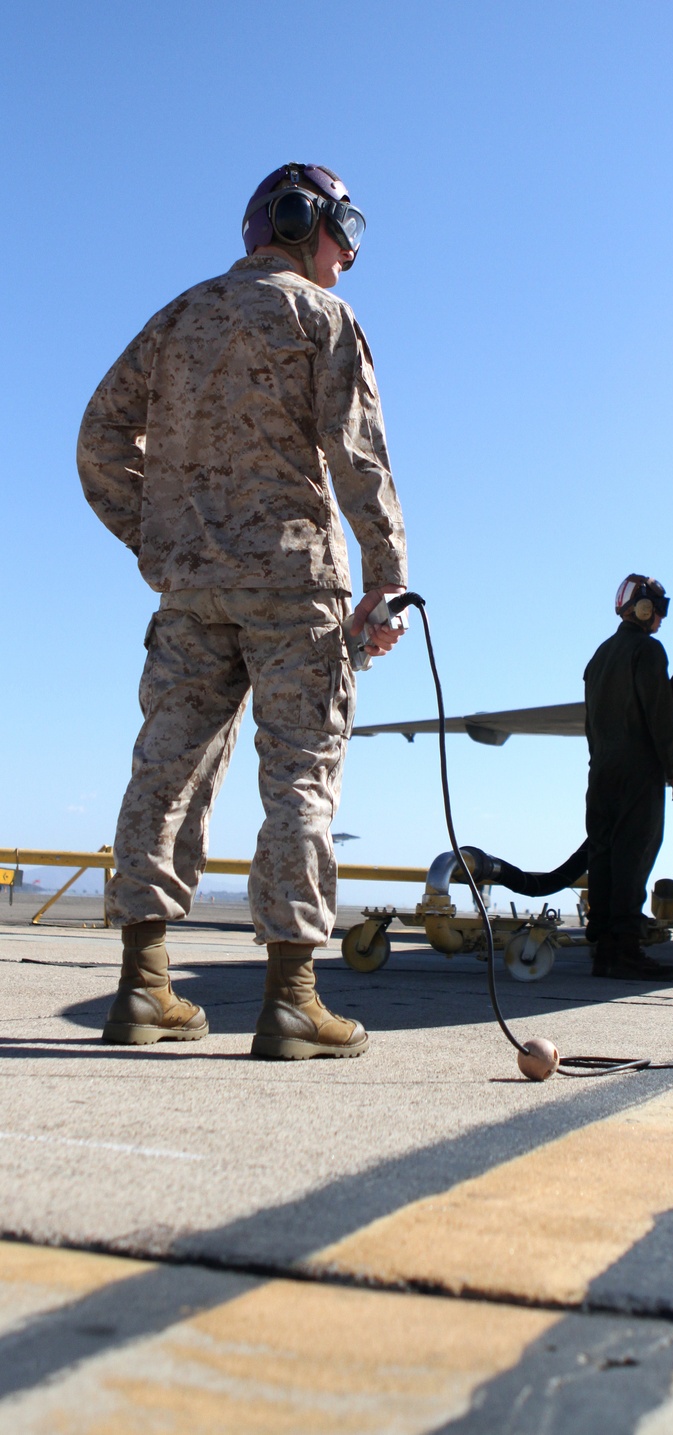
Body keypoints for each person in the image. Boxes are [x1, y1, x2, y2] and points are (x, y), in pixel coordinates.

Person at [77, 163, 407, 1060]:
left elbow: (98, 438)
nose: (348, 256)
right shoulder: (323, 318)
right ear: (306, 224)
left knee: (165, 767)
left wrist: (155, 538)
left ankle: (144, 989)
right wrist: (387, 581)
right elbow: (360, 464)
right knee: (300, 775)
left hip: (193, 591)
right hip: (295, 587)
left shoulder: (178, 317)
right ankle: (293, 1000)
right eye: (348, 233)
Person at [584, 574, 673, 979]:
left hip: (601, 772)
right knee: (634, 854)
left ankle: (605, 950)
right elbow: (660, 715)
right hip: (637, 773)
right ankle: (625, 951)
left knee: (604, 856)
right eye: (657, 610)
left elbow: (590, 722)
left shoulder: (599, 655)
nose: (660, 619)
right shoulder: (647, 650)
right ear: (643, 609)